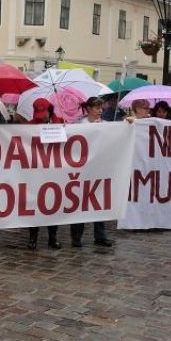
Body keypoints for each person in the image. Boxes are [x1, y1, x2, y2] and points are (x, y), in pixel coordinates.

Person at [69, 97, 114, 248]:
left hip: (100, 168)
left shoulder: (105, 124)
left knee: (99, 201)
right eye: (96, 108)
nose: (100, 111)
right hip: (82, 169)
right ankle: (76, 237)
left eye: (101, 108)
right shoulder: (79, 124)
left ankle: (100, 235)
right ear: (88, 109)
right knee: (80, 202)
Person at [27, 98, 61, 250]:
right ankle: (32, 238)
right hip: (36, 171)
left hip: (54, 171)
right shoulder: (30, 125)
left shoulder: (60, 122)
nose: (42, 117)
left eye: (44, 113)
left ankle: (52, 238)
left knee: (54, 205)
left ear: (50, 110)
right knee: (35, 205)